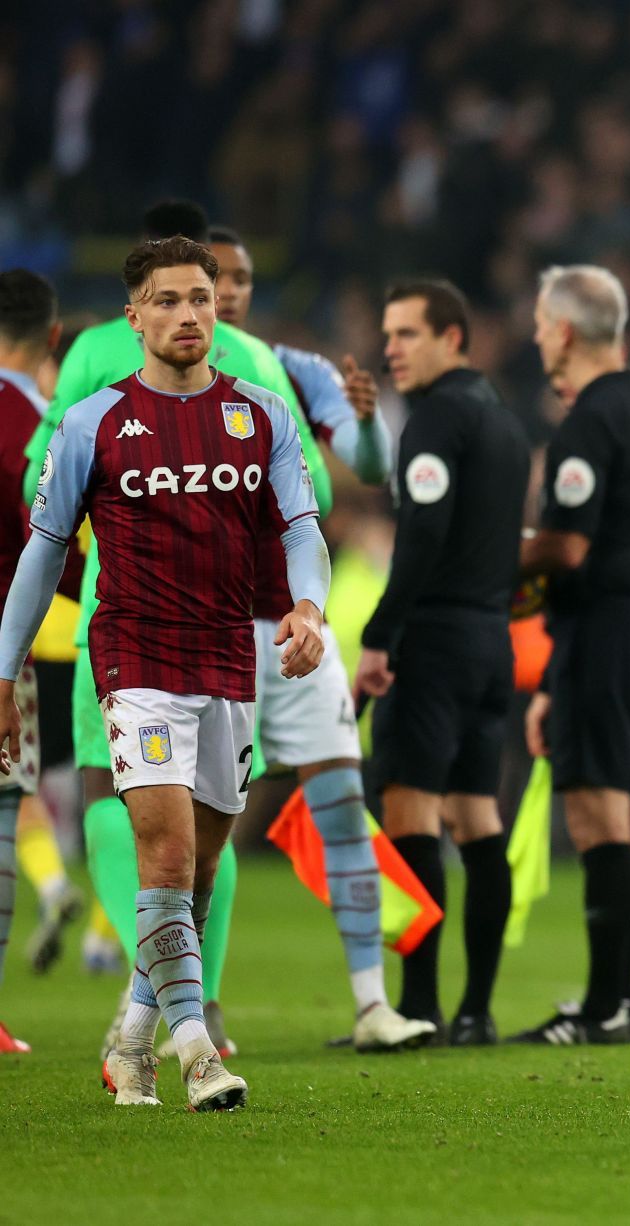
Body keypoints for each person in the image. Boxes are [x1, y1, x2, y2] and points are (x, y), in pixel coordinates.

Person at [0, 236, 329, 1110]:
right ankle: (198, 1055)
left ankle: (131, 1037)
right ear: (133, 316)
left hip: (229, 655)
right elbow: (41, 556)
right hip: (134, 653)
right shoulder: (93, 422)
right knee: (168, 852)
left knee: (203, 871)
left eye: (201, 298)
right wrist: (4, 671)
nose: (188, 314)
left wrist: (308, 607)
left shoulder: (260, 413)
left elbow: (302, 528)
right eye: (168, 300)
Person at [202, 226, 430, 1052]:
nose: (225, 293)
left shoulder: (289, 369)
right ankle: (188, 1007)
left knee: (341, 803)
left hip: (298, 622)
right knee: (198, 830)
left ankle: (372, 1004)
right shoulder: (154, 386)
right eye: (211, 278)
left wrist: (366, 422)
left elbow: (369, 464)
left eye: (238, 278)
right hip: (211, 627)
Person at [514, 265, 630, 1046]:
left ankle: (602, 1005)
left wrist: (494, 559)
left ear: (562, 329)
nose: (532, 335)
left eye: (538, 321)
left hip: (609, 628)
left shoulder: (590, 421)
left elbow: (567, 545)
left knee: (595, 809)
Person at [354, 279, 529, 1046]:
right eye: (387, 333)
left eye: (407, 334)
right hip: (493, 642)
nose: (391, 348)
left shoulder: (434, 419)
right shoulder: (504, 422)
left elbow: (421, 537)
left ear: (452, 338)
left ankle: (418, 1008)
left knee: (411, 812)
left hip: (432, 641)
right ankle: (477, 1009)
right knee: (476, 813)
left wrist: (382, 635)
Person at [0, 268, 67, 1053]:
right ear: (52, 339)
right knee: (3, 813)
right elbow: (49, 543)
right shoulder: (40, 423)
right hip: (3, 650)